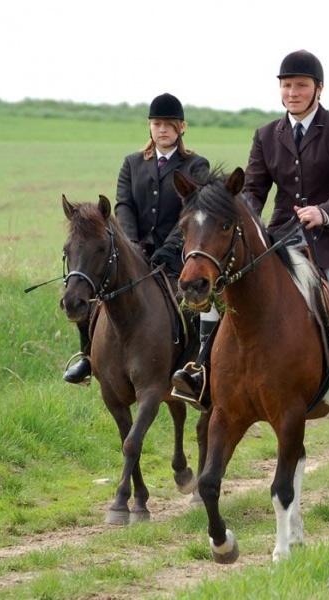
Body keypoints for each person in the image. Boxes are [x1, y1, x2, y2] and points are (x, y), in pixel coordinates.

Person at [182, 50, 329, 437]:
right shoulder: (267, 135)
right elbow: (253, 191)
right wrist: (234, 220)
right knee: (222, 293)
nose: (293, 92)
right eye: (286, 85)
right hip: (283, 239)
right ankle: (201, 370)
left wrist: (324, 212)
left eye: (301, 85)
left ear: (318, 88)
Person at [63, 93, 211, 386]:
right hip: (134, 251)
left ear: (182, 127)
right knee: (88, 287)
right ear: (150, 127)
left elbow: (191, 212)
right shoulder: (131, 163)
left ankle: (195, 369)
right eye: (156, 124)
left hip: (178, 254)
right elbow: (123, 205)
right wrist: (131, 244)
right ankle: (87, 358)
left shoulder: (196, 165)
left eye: (169, 124)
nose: (162, 130)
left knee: (192, 305)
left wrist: (169, 249)